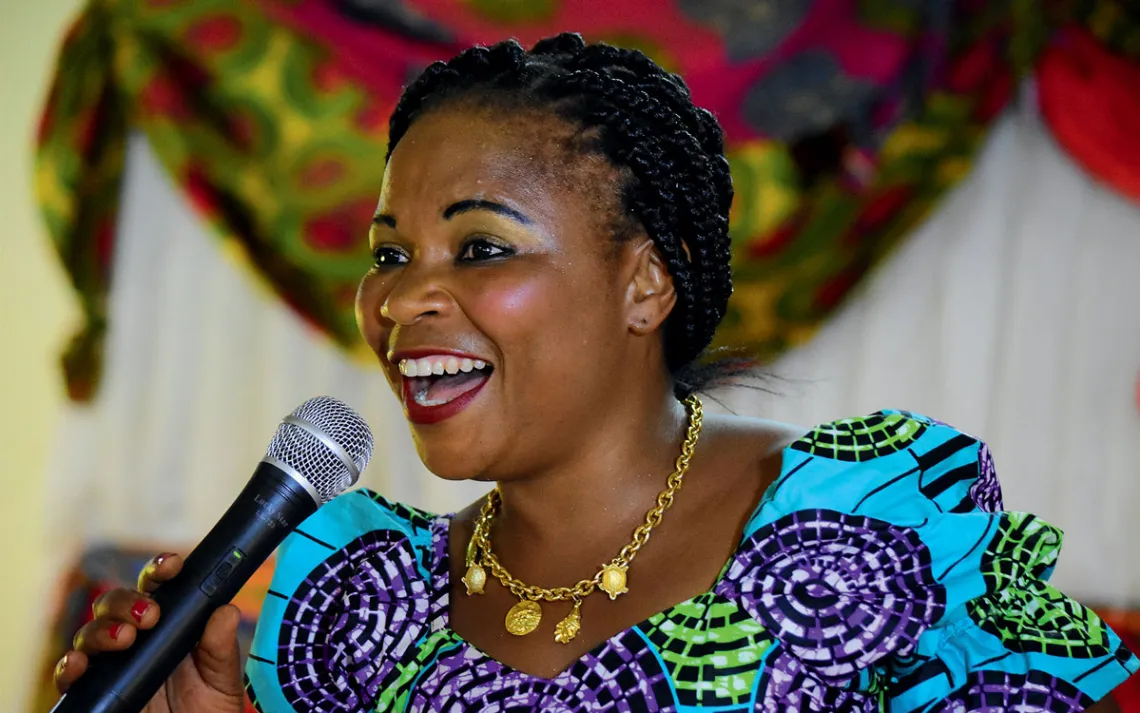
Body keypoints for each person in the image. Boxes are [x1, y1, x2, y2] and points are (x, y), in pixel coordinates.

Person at [55, 33, 1137, 712]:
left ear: (644, 284)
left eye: (480, 247)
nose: (400, 301)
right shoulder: (358, 610)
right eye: (389, 254)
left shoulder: (865, 527)